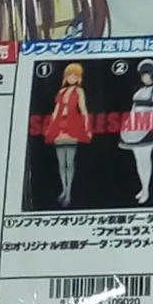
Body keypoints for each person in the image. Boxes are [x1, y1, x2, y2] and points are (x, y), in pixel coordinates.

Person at [120, 59, 153, 205]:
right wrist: (129, 121)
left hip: (148, 125)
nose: (145, 78)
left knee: (145, 158)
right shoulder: (139, 90)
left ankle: (146, 190)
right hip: (135, 125)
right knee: (138, 160)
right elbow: (134, 107)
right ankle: (143, 188)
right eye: (143, 75)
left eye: (148, 75)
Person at [43, 62, 91, 208]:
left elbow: (83, 110)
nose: (72, 78)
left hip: (72, 127)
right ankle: (64, 189)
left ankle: (68, 192)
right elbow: (55, 111)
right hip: (59, 127)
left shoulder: (79, 91)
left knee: (69, 162)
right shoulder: (61, 92)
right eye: (70, 75)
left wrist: (87, 127)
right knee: (61, 163)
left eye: (75, 75)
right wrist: (50, 128)